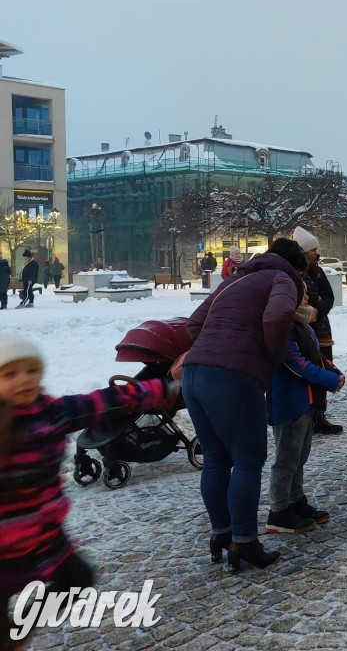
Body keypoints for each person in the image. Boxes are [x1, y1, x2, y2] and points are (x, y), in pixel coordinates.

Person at [0, 334, 177, 647]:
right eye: (10, 374)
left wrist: (159, 387)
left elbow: (103, 402)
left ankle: (19, 631)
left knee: (78, 580)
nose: (23, 380)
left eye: (31, 371)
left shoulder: (52, 413)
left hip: (44, 540)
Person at [181, 237, 307, 573]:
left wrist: (213, 349)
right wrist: (271, 357)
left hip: (194, 373)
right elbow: (279, 316)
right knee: (248, 460)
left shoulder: (236, 278)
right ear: (296, 266)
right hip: (234, 376)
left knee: (216, 460)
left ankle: (221, 535)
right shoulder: (283, 279)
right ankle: (245, 541)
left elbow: (194, 324)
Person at [265, 293, 343, 535]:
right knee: (286, 460)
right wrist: (330, 379)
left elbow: (316, 359)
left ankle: (295, 501)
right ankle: (278, 511)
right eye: (302, 293)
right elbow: (296, 364)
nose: (308, 296)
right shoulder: (284, 328)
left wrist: (333, 371)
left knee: (299, 457)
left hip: (306, 402)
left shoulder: (302, 325)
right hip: (289, 402)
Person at [292, 226, 343, 435]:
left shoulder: (317, 271)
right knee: (309, 372)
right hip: (304, 330)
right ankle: (308, 416)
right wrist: (315, 304)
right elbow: (306, 300)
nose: (316, 253)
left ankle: (319, 416)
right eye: (312, 249)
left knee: (323, 368)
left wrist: (317, 308)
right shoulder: (296, 272)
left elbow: (328, 296)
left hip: (321, 330)